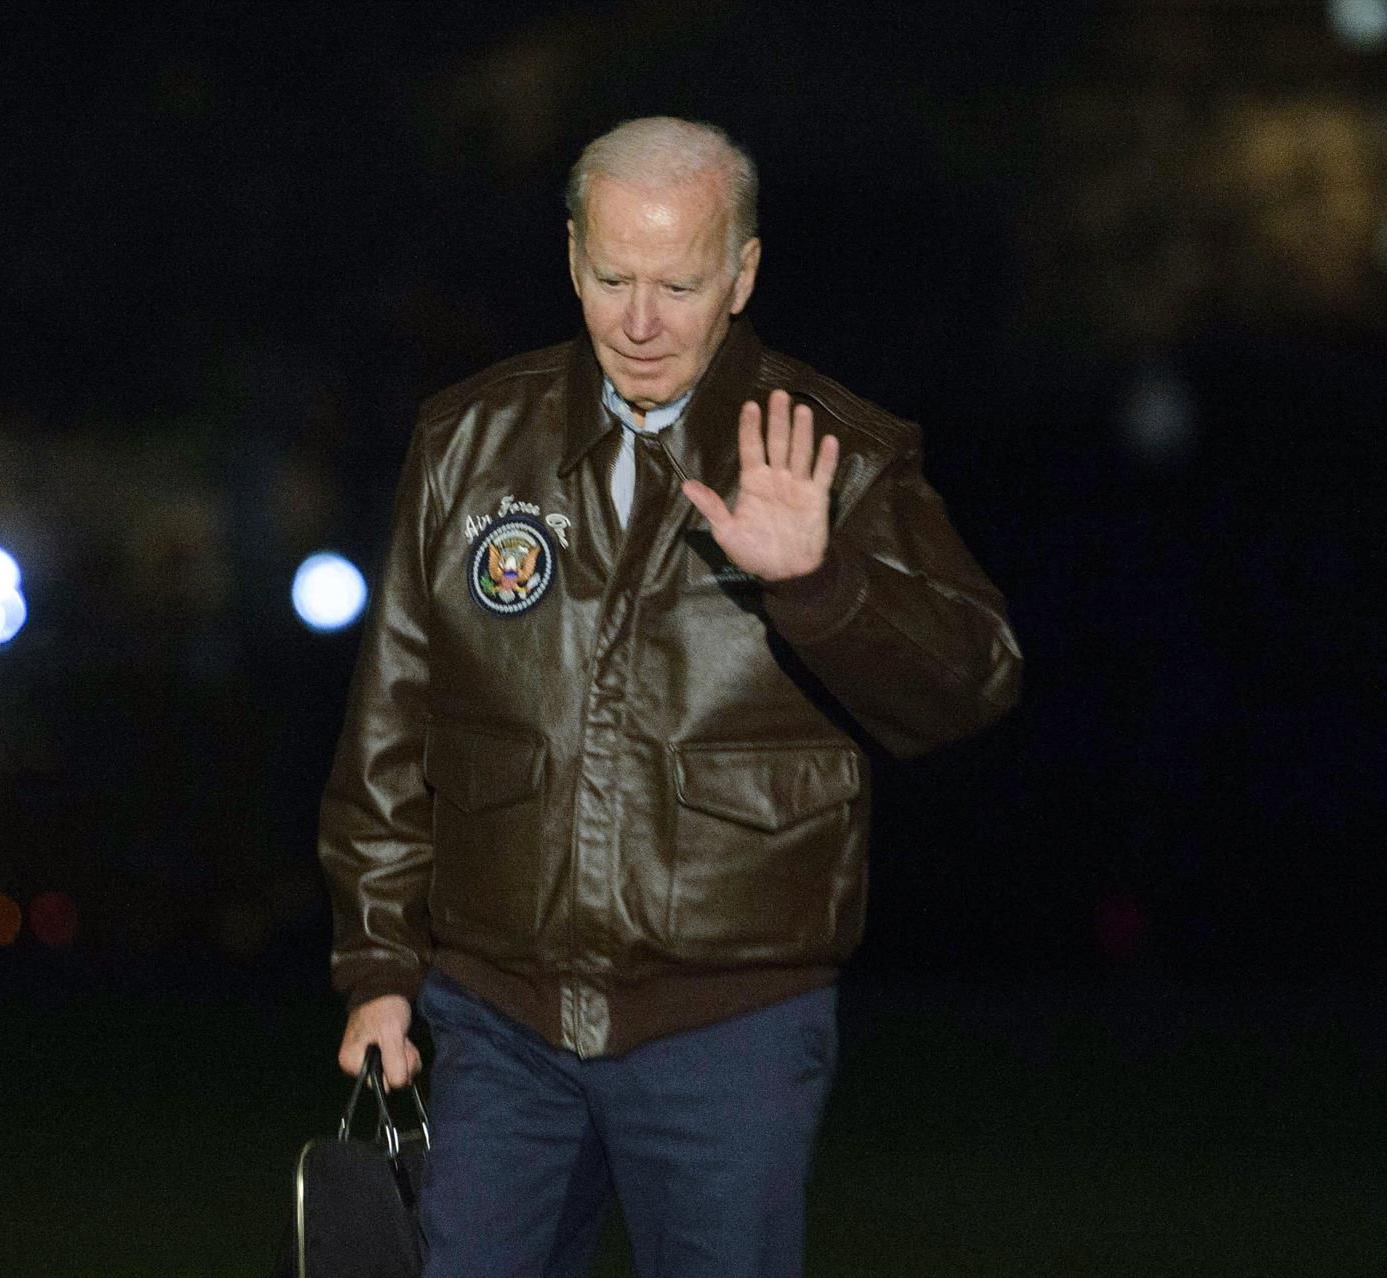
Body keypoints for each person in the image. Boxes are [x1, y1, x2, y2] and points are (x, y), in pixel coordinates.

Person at [318, 116, 1021, 1278]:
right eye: (612, 277)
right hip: (498, 1017)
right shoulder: (466, 442)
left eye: (680, 283)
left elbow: (976, 683)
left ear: (742, 274)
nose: (640, 321)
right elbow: (392, 719)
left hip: (728, 1029)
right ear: (570, 259)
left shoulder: (830, 453)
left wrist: (822, 581)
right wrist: (381, 969)